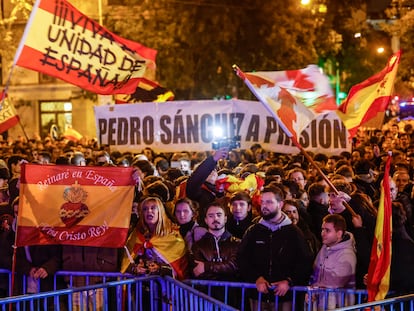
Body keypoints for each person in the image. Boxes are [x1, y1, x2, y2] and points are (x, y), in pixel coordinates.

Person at [237, 185, 313, 311]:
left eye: (269, 202)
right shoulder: (254, 230)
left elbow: (305, 261)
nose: (264, 206)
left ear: (280, 204)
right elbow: (242, 258)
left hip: (285, 298)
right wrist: (256, 278)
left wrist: (289, 281)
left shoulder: (294, 232)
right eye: (262, 202)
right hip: (258, 295)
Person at [121, 196, 189, 280]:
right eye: (145, 209)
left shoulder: (173, 236)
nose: (149, 211)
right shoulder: (136, 235)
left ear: (160, 212)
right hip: (140, 287)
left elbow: (180, 270)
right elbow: (126, 261)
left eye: (153, 208)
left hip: (165, 289)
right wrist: (134, 268)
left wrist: (160, 268)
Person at [309, 214, 356, 310]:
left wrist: (314, 288)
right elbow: (315, 272)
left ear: (339, 234)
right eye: (322, 229)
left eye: (327, 230)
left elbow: (336, 281)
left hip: (339, 306)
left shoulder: (347, 254)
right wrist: (311, 289)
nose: (323, 233)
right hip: (321, 304)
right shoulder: (325, 248)